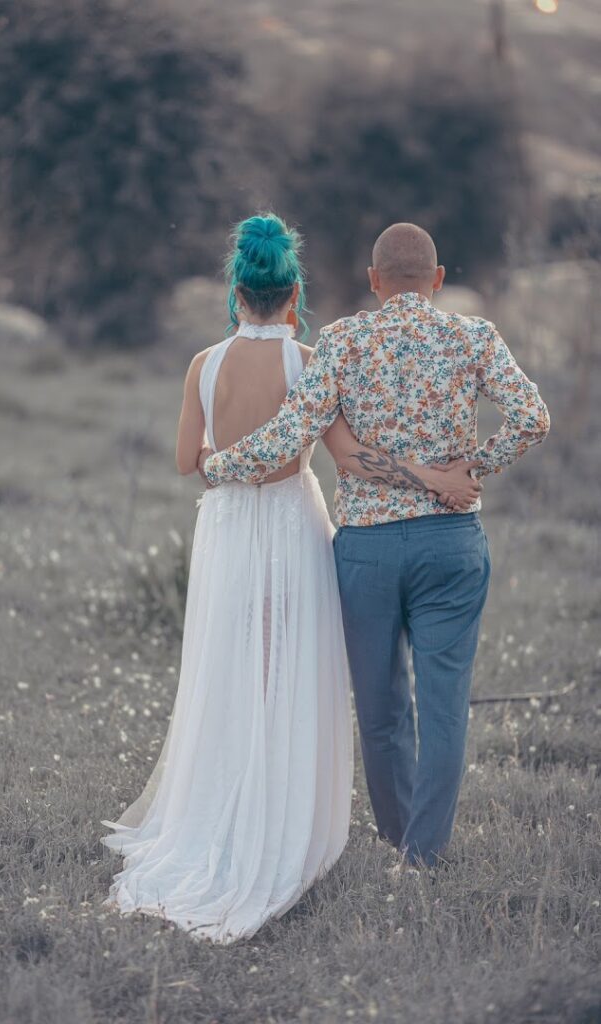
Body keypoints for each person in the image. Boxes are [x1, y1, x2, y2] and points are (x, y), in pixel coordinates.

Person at [100, 215, 480, 942]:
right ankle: (284, 819)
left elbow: (189, 462)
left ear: (234, 290)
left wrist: (219, 461)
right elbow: (350, 457)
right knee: (293, 673)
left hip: (228, 529)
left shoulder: (202, 365)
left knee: (230, 671)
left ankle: (218, 810)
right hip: (291, 524)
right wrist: (432, 476)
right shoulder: (310, 359)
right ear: (294, 291)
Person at [202, 221, 550, 870]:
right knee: (444, 704)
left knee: (381, 706)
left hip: (365, 551)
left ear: (372, 281)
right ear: (438, 280)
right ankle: (423, 854)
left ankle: (397, 838)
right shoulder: (472, 335)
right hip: (450, 544)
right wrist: (473, 469)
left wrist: (217, 464)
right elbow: (532, 416)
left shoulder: (341, 340)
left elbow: (290, 433)